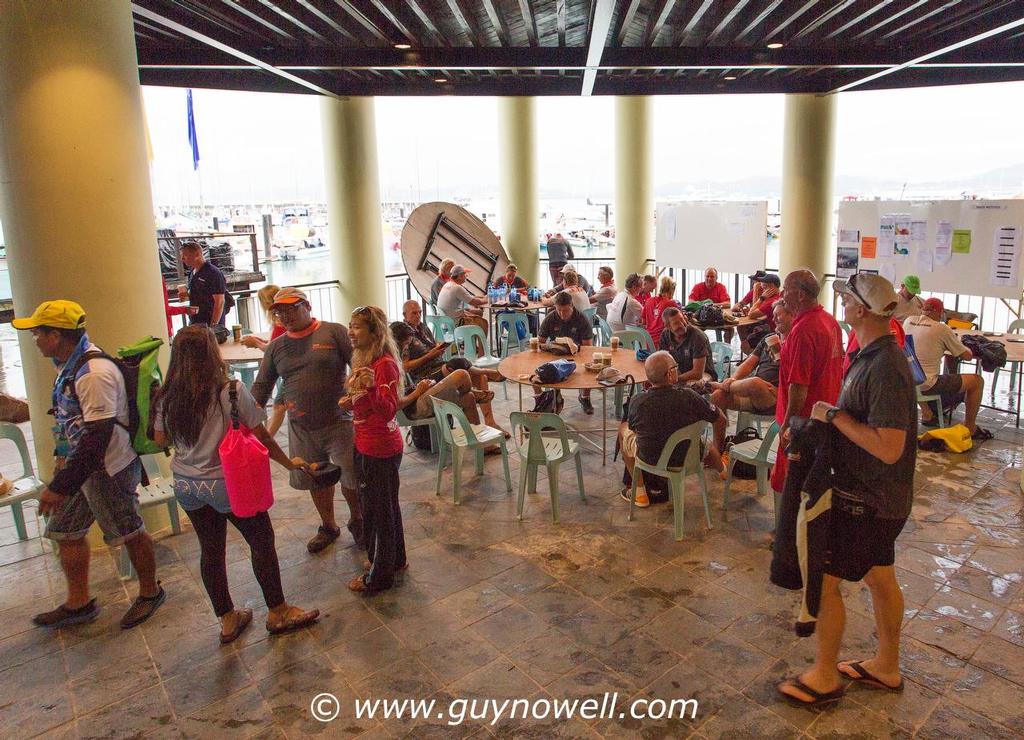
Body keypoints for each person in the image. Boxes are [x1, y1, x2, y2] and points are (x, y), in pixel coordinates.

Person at [778, 273, 916, 708]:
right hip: (881, 499)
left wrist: (833, 416)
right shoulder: (871, 353)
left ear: (861, 310)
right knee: (879, 577)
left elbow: (890, 446)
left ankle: (823, 676)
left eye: (847, 300)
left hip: (869, 500)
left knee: (826, 582)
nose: (841, 304)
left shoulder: (885, 366)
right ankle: (886, 666)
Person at [153, 326, 319, 643]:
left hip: (188, 485)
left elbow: (160, 439)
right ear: (210, 354)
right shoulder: (230, 391)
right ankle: (278, 611)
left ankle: (228, 619)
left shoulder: (166, 396)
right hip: (228, 483)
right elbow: (262, 434)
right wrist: (288, 463)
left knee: (211, 551)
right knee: (261, 541)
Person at [14, 300, 165, 630]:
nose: (34, 339)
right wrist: (63, 465)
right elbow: (72, 421)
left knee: (129, 530)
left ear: (56, 335)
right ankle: (78, 602)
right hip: (81, 467)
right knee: (65, 531)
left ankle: (151, 592)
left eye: (38, 333)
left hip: (107, 468)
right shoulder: (67, 364)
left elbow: (98, 438)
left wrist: (60, 486)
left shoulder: (92, 374)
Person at [250, 287, 360, 553]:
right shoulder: (276, 347)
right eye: (278, 312)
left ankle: (359, 522)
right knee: (316, 478)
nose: (284, 315)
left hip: (339, 421)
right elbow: (261, 388)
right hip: (302, 427)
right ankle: (329, 526)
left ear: (306, 306)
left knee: (352, 479)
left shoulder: (334, 332)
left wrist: (358, 392)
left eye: (290, 309)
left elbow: (359, 365)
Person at [341, 306, 407, 594]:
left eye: (357, 327)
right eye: (350, 326)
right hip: (367, 443)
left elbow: (390, 409)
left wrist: (368, 390)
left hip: (379, 448)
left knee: (379, 514)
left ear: (374, 333)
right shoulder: (364, 361)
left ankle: (379, 576)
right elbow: (364, 403)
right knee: (385, 508)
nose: (351, 332)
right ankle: (395, 560)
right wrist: (352, 399)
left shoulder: (383, 365)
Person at [617, 351, 724, 508]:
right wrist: (719, 446)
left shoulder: (637, 401)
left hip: (651, 457)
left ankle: (639, 492)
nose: (678, 370)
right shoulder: (690, 396)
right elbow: (721, 419)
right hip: (688, 455)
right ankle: (723, 471)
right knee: (703, 443)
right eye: (676, 367)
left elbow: (633, 429)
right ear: (669, 375)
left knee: (623, 430)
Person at [770, 269, 844, 495]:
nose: (782, 294)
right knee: (814, 482)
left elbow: (799, 386)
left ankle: (791, 529)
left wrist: (787, 425)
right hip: (825, 415)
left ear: (800, 295)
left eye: (786, 289)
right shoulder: (830, 322)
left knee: (793, 485)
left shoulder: (803, 331)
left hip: (803, 422)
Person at [390, 321, 505, 437]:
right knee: (461, 374)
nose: (406, 349)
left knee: (469, 397)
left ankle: (480, 444)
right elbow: (398, 404)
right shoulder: (389, 365)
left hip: (420, 391)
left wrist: (420, 388)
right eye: (405, 344)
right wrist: (417, 391)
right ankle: (484, 379)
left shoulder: (419, 332)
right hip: (413, 406)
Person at [710, 301, 793, 452]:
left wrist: (781, 391)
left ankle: (720, 384)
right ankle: (719, 449)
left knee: (755, 382)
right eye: (773, 316)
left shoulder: (796, 341)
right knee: (718, 396)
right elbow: (748, 365)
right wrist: (733, 379)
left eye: (778, 315)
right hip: (754, 394)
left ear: (791, 315)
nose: (774, 319)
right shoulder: (769, 338)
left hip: (774, 397)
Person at [903, 297, 988, 438]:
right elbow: (966, 355)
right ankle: (970, 427)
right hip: (928, 384)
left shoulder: (908, 321)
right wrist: (967, 346)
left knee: (928, 370)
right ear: (939, 312)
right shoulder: (941, 328)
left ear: (923, 309)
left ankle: (927, 413)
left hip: (907, 380)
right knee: (977, 381)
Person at [535, 291, 594, 414]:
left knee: (590, 366)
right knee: (536, 369)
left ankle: (585, 397)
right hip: (554, 354)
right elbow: (540, 342)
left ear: (571, 306)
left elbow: (588, 347)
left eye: (565, 310)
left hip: (577, 354)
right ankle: (541, 398)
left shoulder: (581, 319)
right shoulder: (551, 318)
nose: (562, 314)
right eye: (559, 310)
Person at [241, 284, 286, 436]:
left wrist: (256, 343)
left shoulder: (279, 324)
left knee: (278, 405)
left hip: (286, 369)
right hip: (285, 368)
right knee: (279, 405)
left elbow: (271, 350)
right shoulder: (281, 322)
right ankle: (267, 438)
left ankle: (265, 439)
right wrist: (259, 341)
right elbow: (275, 344)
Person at [180, 240, 229, 329]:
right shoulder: (192, 272)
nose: (182, 259)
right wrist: (186, 295)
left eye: (185, 255)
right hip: (195, 321)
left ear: (197, 254)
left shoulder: (213, 273)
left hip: (209, 322)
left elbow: (220, 302)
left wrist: (213, 326)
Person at [659, 307, 714, 384]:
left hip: (703, 374)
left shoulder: (698, 336)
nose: (682, 324)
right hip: (680, 371)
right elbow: (664, 361)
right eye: (676, 323)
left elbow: (698, 373)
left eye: (682, 319)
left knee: (692, 385)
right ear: (668, 326)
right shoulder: (665, 335)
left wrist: (675, 379)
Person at [437, 264, 489, 333]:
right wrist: (490, 299)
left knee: (478, 312)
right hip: (454, 322)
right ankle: (478, 343)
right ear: (460, 276)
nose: (466, 276)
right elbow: (475, 302)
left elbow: (469, 297)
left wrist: (484, 297)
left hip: (446, 320)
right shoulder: (457, 288)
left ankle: (471, 341)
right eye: (465, 274)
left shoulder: (448, 284)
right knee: (484, 323)